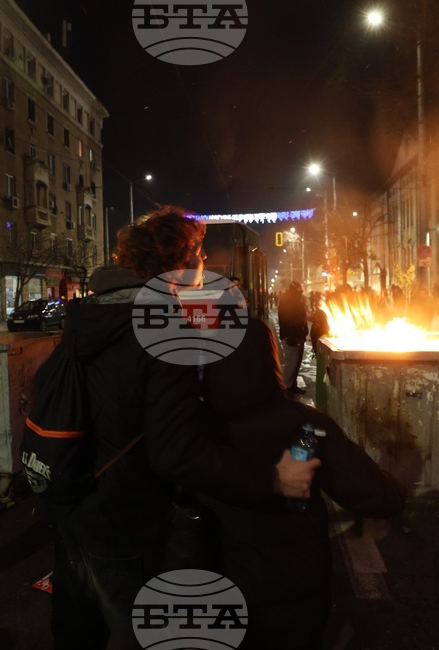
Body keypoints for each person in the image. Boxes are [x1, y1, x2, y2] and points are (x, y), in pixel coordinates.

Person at [49, 207, 319, 649]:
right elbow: (175, 451)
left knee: (83, 634)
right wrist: (273, 479)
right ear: (182, 264)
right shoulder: (161, 327)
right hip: (129, 519)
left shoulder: (96, 314)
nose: (205, 269)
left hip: (77, 506)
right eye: (199, 257)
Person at [202, 319, 407, 649]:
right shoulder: (306, 424)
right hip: (296, 586)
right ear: (271, 358)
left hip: (221, 579)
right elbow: (372, 493)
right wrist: (398, 487)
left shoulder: (193, 433)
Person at [278, 280, 308, 394]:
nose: (300, 293)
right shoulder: (287, 302)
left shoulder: (295, 301)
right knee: (292, 362)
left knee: (296, 362)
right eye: (298, 291)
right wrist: (290, 337)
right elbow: (286, 321)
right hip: (292, 336)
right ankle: (286, 387)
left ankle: (292, 385)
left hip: (298, 335)